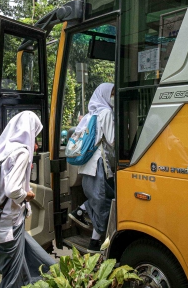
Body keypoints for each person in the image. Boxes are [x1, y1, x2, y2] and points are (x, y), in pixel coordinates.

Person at [0, 111, 55, 288]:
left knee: (21, 267)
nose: (36, 142)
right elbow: (12, 189)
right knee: (12, 277)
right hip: (9, 222)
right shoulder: (21, 152)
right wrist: (27, 195)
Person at [68, 83, 115, 254]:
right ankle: (95, 243)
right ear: (104, 95)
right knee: (105, 203)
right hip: (99, 166)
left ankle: (81, 210)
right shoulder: (106, 113)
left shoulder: (90, 114)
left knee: (101, 200)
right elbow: (113, 141)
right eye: (113, 93)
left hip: (86, 166)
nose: (114, 97)